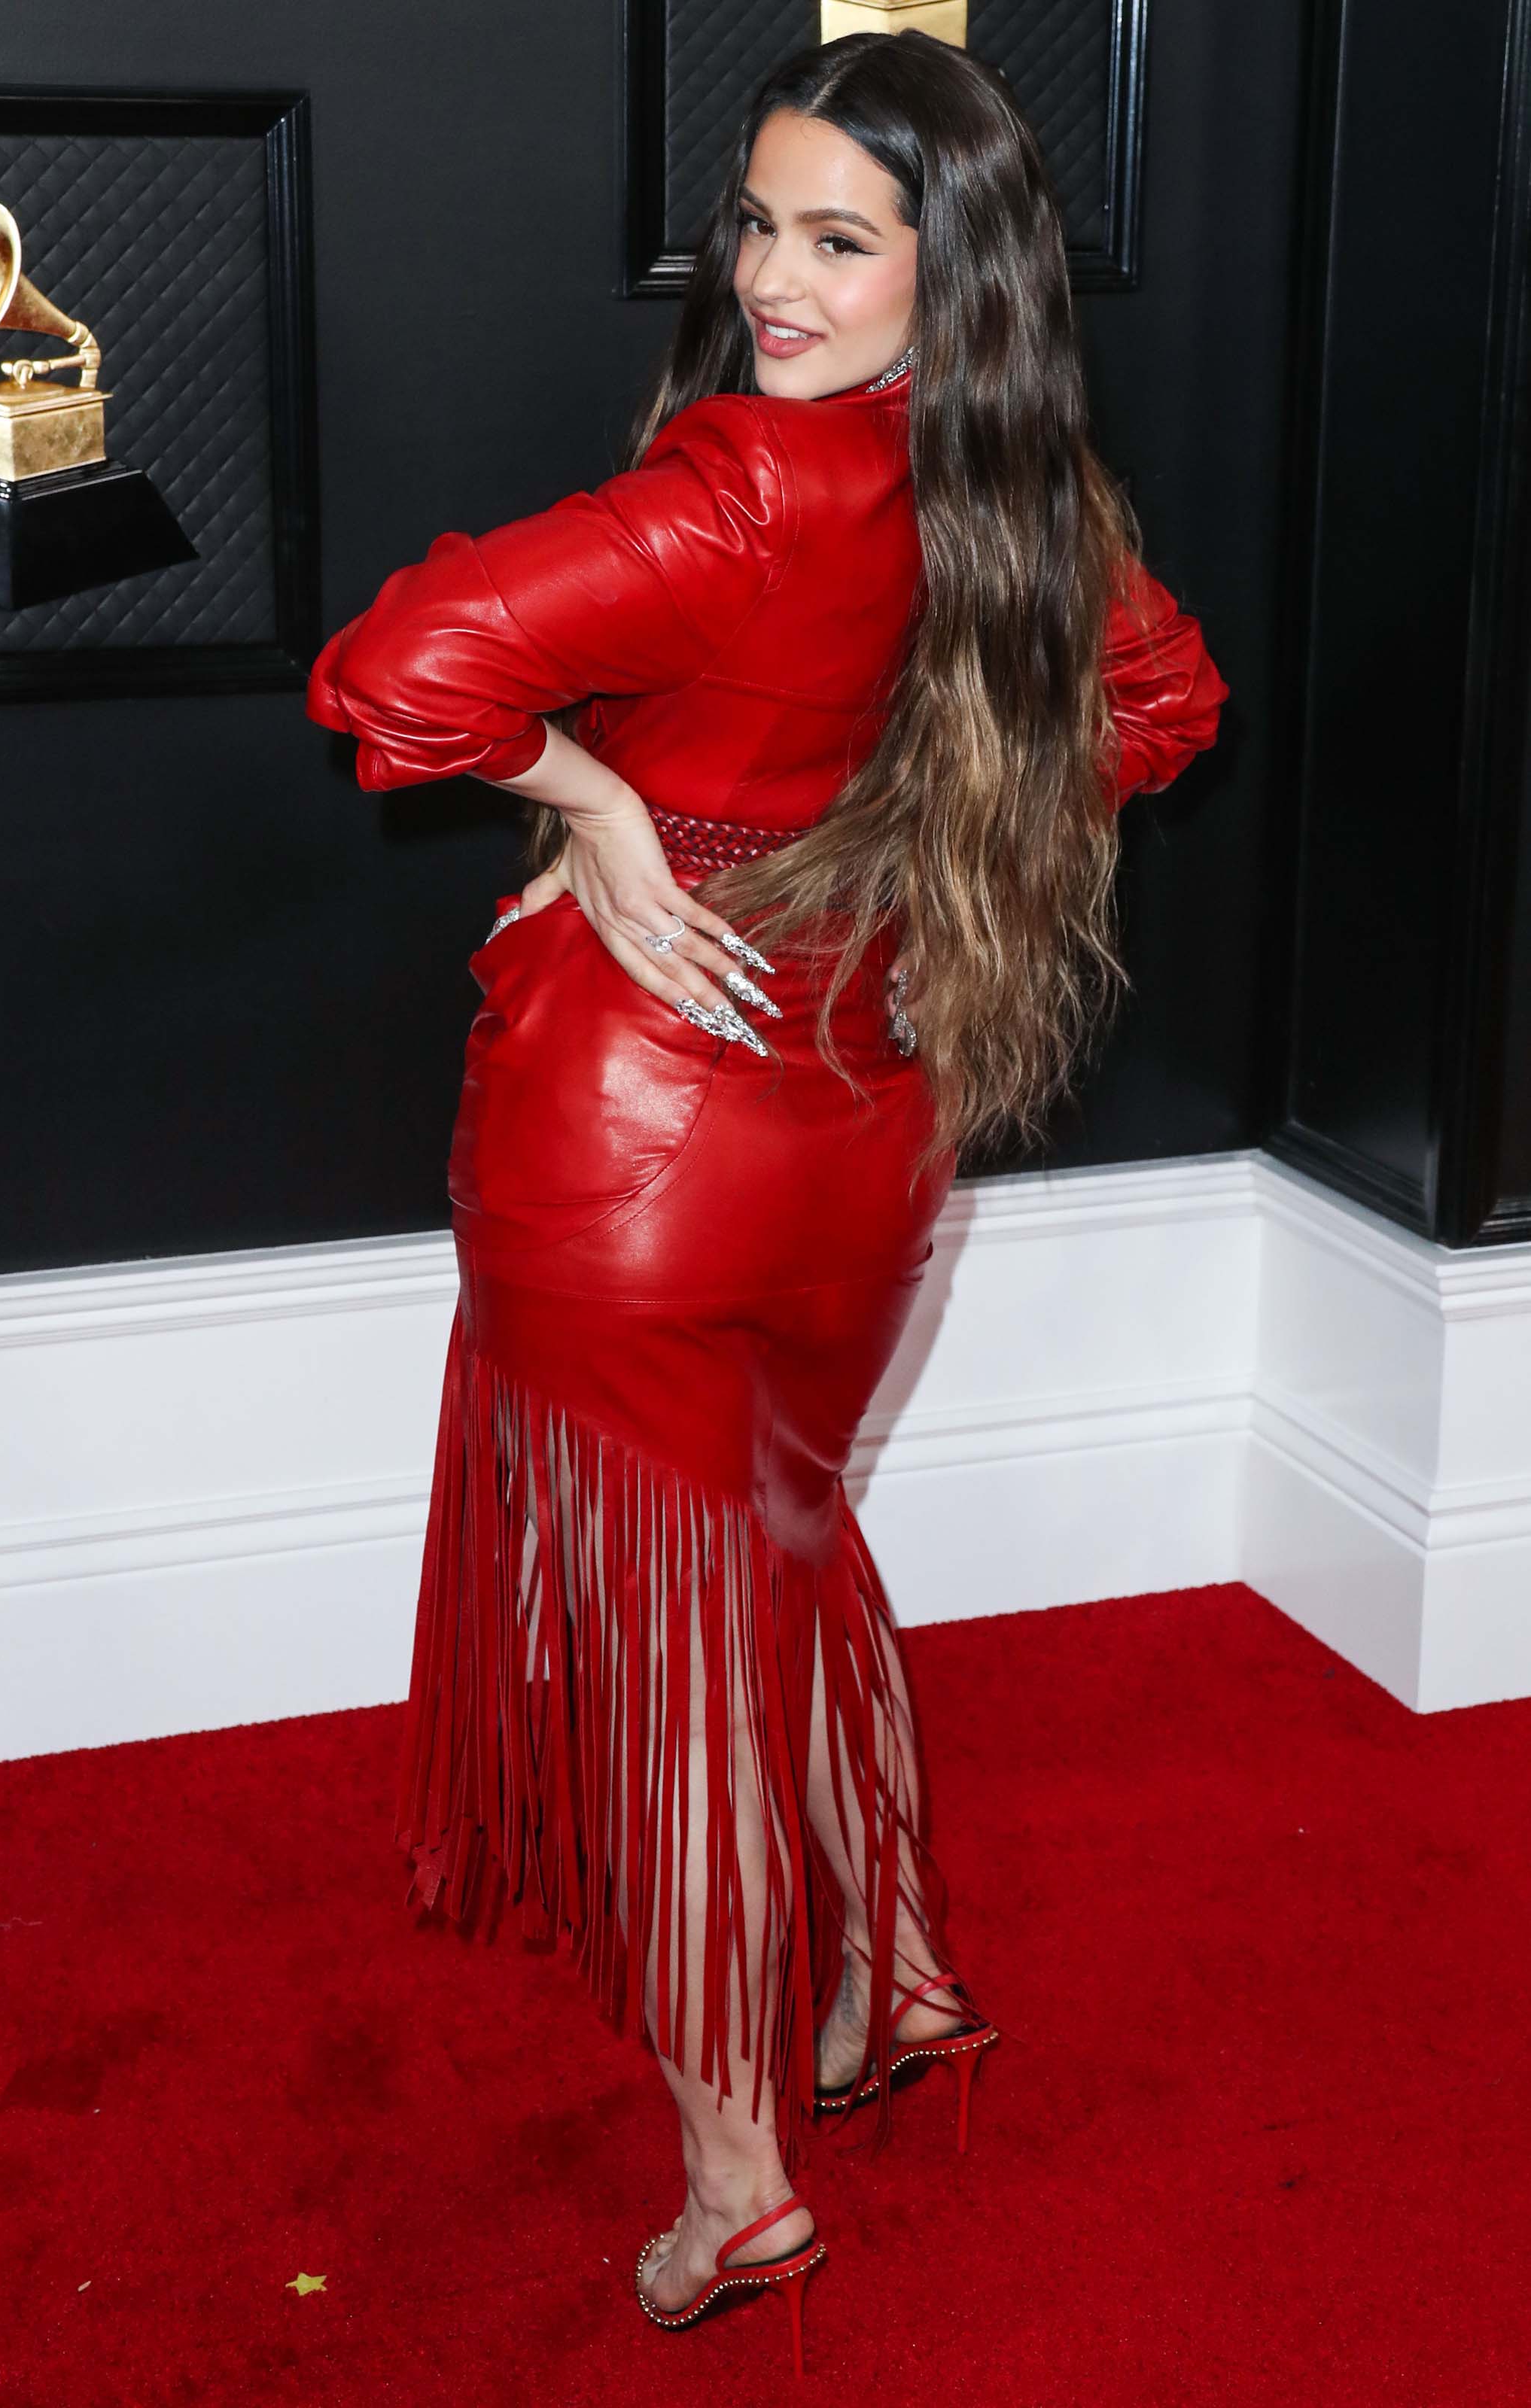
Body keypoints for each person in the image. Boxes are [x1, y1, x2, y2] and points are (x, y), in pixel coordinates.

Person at [306, 28, 1226, 2373]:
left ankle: (738, 2192)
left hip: (632, 1158)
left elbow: (390, 676)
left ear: (952, 265)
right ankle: (864, 1987)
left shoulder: (741, 489)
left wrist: (600, 811)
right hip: (862, 1136)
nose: (774, 279)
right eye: (759, 223)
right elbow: (1161, 709)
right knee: (789, 1545)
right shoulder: (1022, 486)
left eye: (840, 238)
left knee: (666, 1666)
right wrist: (890, 864)